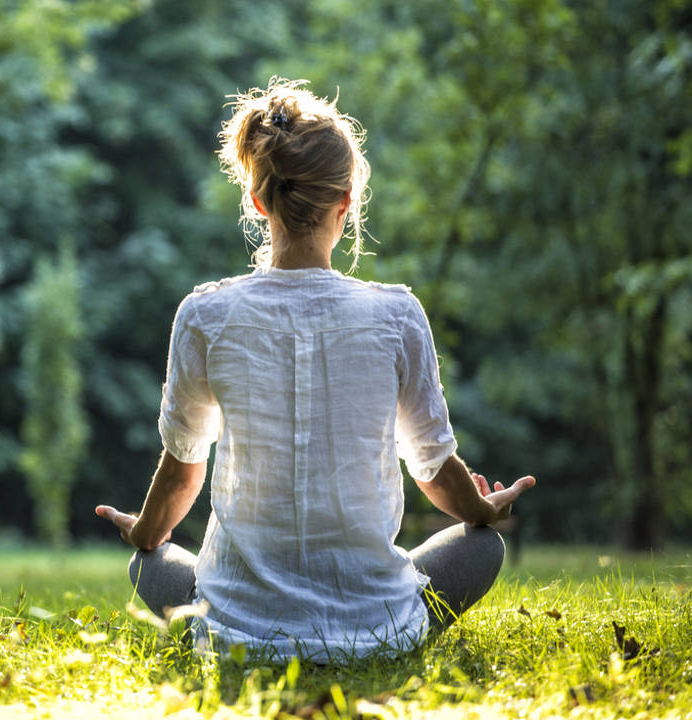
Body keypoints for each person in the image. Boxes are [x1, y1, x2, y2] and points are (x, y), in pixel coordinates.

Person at [94, 78, 536, 662]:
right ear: (346, 202)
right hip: (374, 628)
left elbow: (182, 473)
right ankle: (383, 631)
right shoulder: (396, 315)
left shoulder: (204, 314)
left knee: (147, 563)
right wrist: (481, 510)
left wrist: (146, 533)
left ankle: (231, 617)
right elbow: (432, 467)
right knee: (483, 550)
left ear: (257, 200)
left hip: (237, 636)